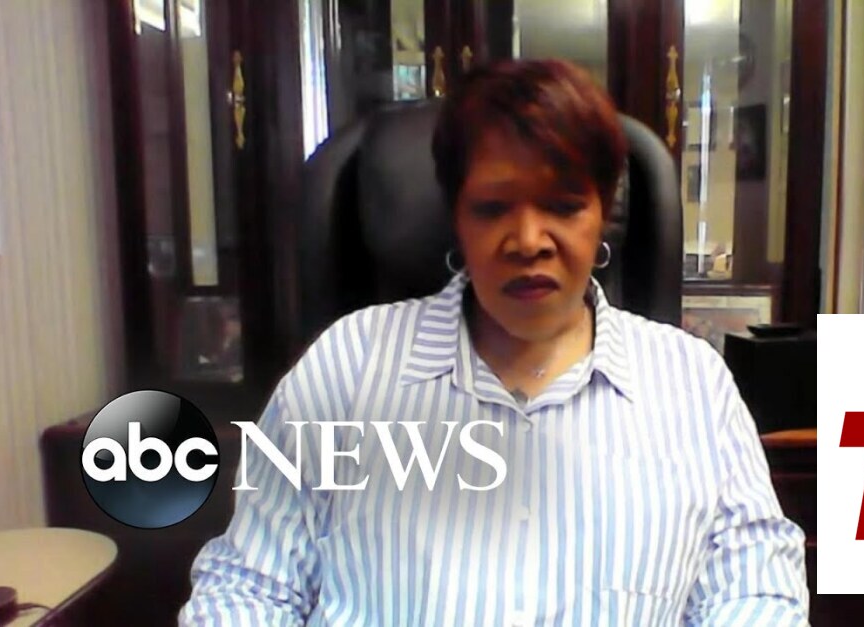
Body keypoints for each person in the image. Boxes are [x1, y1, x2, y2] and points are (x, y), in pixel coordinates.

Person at [181, 59, 809, 626]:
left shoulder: (692, 383)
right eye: (491, 208)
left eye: (563, 205)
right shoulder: (349, 364)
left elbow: (755, 592)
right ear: (456, 217)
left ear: (603, 214)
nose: (528, 241)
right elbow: (249, 587)